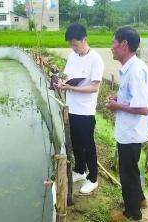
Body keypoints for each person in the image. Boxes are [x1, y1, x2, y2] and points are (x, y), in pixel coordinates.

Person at [106, 27, 148, 221]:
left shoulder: (134, 71)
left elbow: (143, 108)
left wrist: (117, 106)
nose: (111, 48)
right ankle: (140, 199)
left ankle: (132, 213)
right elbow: (133, 98)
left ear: (124, 45)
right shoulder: (131, 67)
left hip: (131, 133)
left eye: (113, 43)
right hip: (130, 131)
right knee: (132, 169)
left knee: (127, 174)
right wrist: (119, 98)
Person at [57, 23, 104, 194]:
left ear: (84, 40)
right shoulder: (72, 57)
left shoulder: (95, 59)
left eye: (75, 44)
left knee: (88, 145)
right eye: (71, 44)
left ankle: (93, 178)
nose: (73, 48)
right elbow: (68, 77)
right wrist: (62, 83)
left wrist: (71, 88)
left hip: (85, 110)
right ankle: (80, 170)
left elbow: (94, 87)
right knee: (76, 142)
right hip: (72, 108)